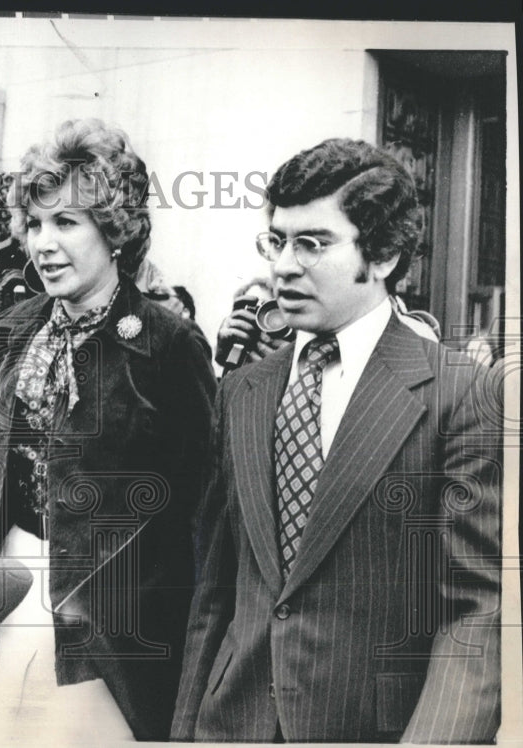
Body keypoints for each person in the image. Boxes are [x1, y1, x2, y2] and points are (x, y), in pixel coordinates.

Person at [0, 119, 216, 742]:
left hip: (112, 633)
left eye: (67, 223)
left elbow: (200, 518)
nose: (43, 243)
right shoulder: (14, 329)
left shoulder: (168, 344)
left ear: (115, 231)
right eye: (35, 224)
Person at [170, 138, 501, 742]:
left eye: (313, 244)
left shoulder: (459, 395)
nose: (284, 266)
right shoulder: (241, 390)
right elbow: (215, 594)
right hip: (232, 727)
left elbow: (478, 614)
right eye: (278, 241)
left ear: (383, 257)